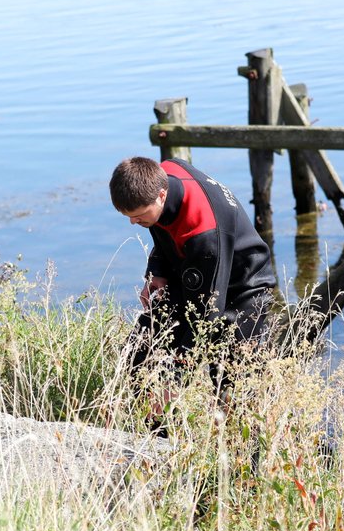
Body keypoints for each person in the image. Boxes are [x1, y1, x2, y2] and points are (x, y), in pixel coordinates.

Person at [109, 156, 276, 396]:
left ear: (161, 195)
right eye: (128, 215)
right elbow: (160, 226)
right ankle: (152, 427)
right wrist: (157, 269)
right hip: (192, 268)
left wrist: (176, 378)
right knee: (139, 352)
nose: (133, 222)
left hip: (242, 289)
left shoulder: (205, 234)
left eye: (139, 215)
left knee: (232, 385)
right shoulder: (164, 173)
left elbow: (208, 314)